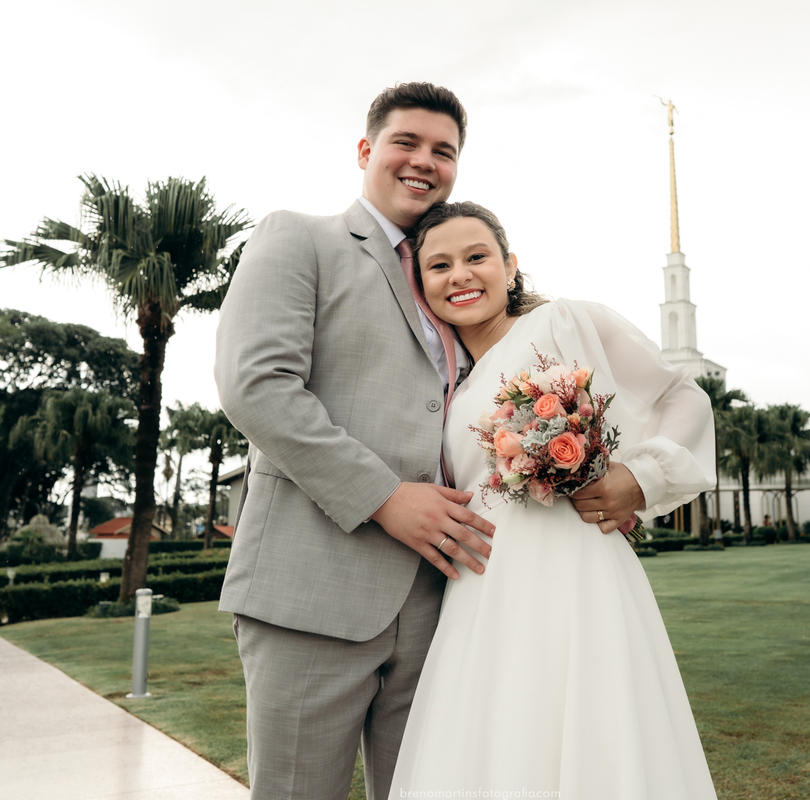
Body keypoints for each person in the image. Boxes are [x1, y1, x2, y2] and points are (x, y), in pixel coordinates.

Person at [214, 85, 646, 800]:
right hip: (313, 594)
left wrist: (606, 475)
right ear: (365, 150)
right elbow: (256, 386)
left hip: (440, 608)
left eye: (443, 151)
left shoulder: (453, 286)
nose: (424, 160)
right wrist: (384, 497)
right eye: (406, 143)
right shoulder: (299, 238)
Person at [388, 201, 720, 799]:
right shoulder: (448, 383)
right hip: (483, 590)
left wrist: (641, 476)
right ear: (421, 285)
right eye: (439, 265)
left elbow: (682, 395)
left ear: (510, 265)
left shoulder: (567, 322)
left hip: (577, 575)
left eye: (476, 256)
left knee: (593, 730)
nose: (460, 275)